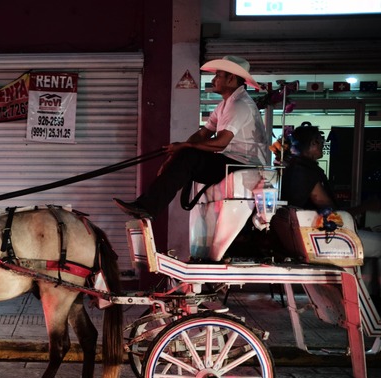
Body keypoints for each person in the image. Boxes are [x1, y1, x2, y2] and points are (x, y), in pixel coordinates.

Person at [114, 55, 269, 219]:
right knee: (187, 155)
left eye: (218, 76)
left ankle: (147, 207)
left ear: (231, 79)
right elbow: (203, 134)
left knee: (190, 156)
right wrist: (174, 156)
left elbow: (221, 143)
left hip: (243, 167)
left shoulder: (239, 105)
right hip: (231, 163)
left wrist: (184, 146)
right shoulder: (225, 104)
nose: (213, 80)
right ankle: (145, 206)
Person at [280, 122, 381, 256]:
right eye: (321, 140)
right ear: (313, 143)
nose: (323, 144)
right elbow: (333, 214)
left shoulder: (295, 169)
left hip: (306, 234)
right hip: (320, 237)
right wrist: (366, 207)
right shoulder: (306, 172)